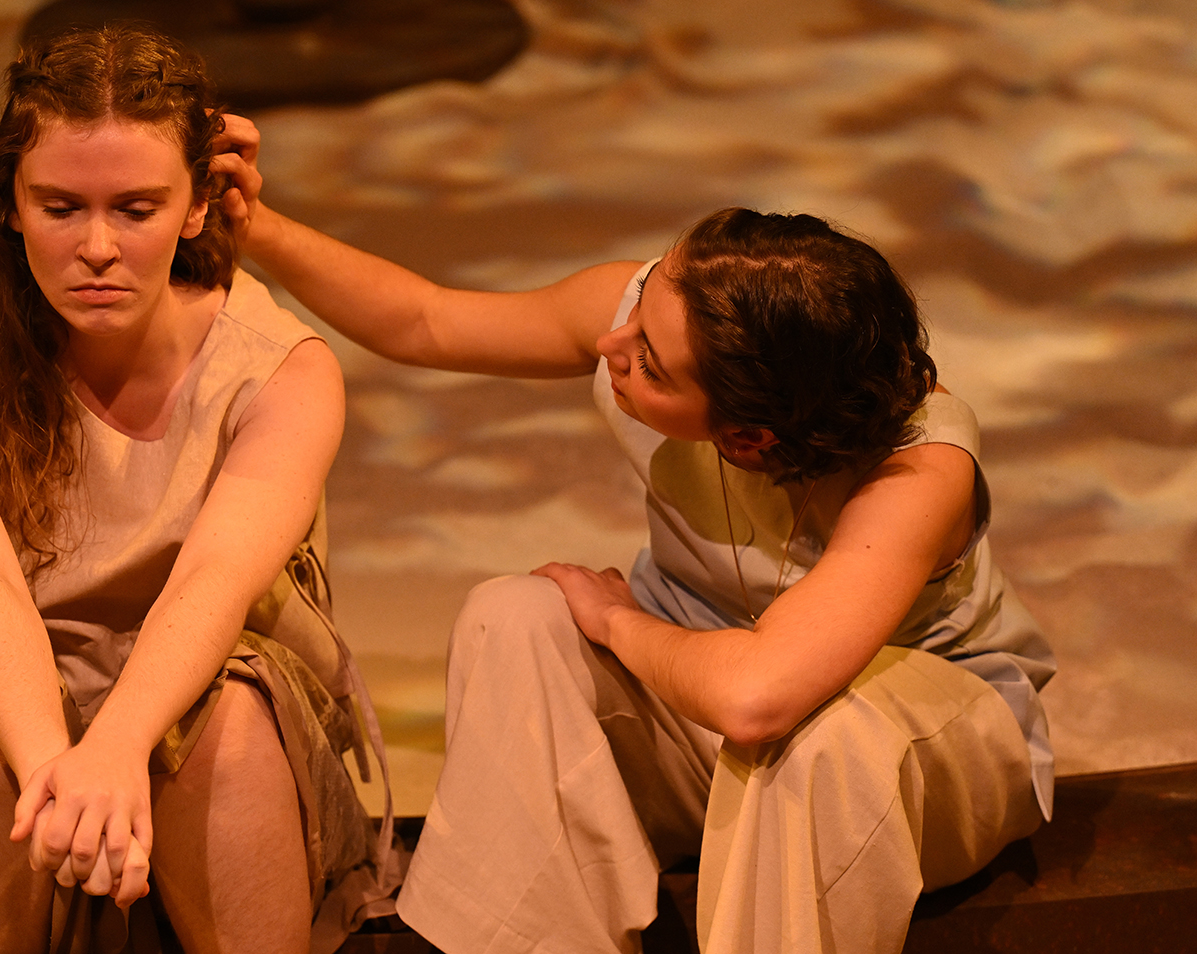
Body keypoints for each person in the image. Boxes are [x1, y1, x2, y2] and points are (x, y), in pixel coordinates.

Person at [211, 116, 1057, 954]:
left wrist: (619, 621)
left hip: (917, 758)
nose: (612, 343)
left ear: (746, 439)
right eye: (638, 312)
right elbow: (425, 321)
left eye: (647, 361)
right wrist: (250, 220)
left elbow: (758, 696)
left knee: (815, 741)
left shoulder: (919, 469)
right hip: (708, 693)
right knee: (516, 617)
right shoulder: (653, 315)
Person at [0, 27, 396, 954]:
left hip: (203, 688)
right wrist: (57, 773)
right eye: (62, 206)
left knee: (231, 726)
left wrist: (117, 747)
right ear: (10, 205)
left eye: (138, 207)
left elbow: (214, 584)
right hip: (1, 690)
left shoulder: (281, 372)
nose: (99, 247)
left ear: (198, 208)